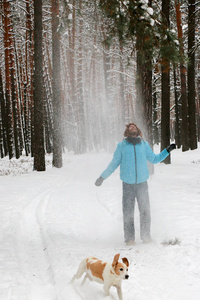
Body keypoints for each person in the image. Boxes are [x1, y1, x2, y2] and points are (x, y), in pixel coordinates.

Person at [95, 123, 176, 245]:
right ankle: (130, 239)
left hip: (142, 184)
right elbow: (113, 164)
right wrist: (102, 177)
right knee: (128, 213)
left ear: (138, 130)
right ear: (127, 131)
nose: (132, 127)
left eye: (134, 126)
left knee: (145, 211)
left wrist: (167, 150)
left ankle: (146, 236)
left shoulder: (144, 145)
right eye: (130, 127)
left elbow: (154, 159)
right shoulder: (121, 146)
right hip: (128, 185)